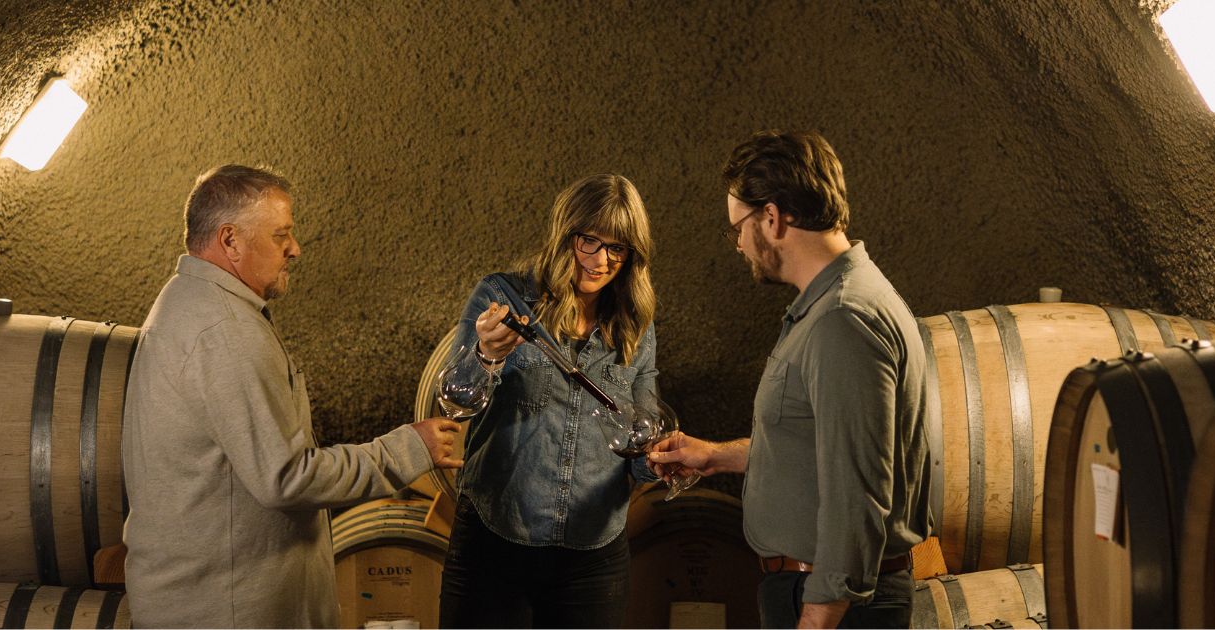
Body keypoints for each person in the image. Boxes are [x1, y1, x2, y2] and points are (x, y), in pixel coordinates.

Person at [121, 164, 463, 628]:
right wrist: (409, 449)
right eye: (281, 235)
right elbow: (287, 478)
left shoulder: (189, 301)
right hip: (228, 611)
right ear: (230, 241)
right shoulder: (225, 331)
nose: (295, 249)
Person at [648, 131, 933, 629]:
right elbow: (820, 448)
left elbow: (857, 492)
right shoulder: (834, 305)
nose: (738, 244)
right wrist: (715, 455)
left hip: (829, 605)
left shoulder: (843, 319)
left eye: (737, 227)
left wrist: (816, 619)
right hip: (818, 594)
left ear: (773, 218)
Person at [437, 173, 661, 628]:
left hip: (593, 552)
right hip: (498, 537)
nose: (601, 261)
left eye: (617, 248)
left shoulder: (635, 322)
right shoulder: (503, 297)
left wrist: (658, 458)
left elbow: (642, 430)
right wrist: (485, 356)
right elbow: (455, 400)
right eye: (589, 241)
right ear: (565, 235)